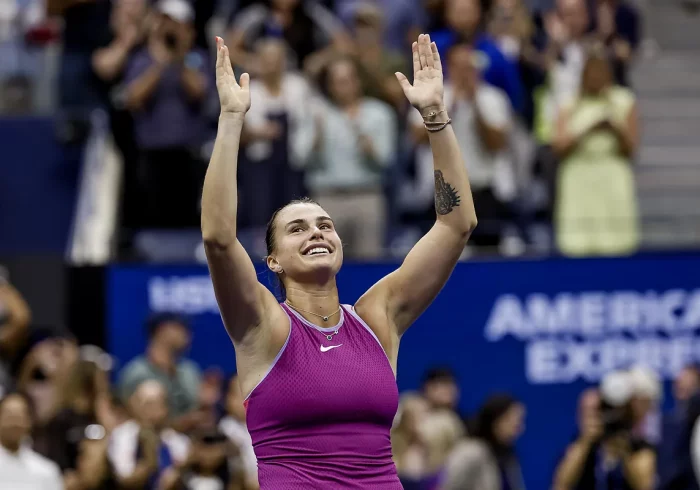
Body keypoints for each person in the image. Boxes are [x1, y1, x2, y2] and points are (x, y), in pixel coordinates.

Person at [201, 32, 477, 488]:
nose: (317, 232)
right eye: (298, 228)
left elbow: (456, 225)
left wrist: (434, 116)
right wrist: (232, 119)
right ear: (273, 261)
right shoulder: (262, 326)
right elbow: (217, 237)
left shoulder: (377, 318)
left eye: (325, 224)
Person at [552, 44, 639, 257]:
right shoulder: (568, 104)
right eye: (592, 70)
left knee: (618, 244)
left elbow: (631, 148)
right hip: (578, 174)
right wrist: (587, 130)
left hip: (613, 173)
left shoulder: (624, 100)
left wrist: (615, 129)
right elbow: (558, 146)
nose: (596, 76)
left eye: (601, 70)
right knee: (577, 244)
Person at [440, 394, 526, 490]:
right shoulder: (470, 452)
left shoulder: (507, 455)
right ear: (497, 421)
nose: (520, 429)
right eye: (515, 423)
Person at [0, 392, 63, 490]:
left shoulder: (47, 471)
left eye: (19, 417)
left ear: (29, 422)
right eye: (9, 417)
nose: (14, 424)